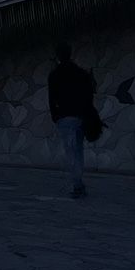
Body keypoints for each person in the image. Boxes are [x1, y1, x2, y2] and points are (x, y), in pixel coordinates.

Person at [48, 41, 97, 199]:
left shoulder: (55, 75)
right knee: (78, 150)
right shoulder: (80, 73)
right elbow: (89, 94)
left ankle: (77, 183)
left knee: (70, 152)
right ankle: (78, 182)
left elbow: (52, 98)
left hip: (64, 116)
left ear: (58, 56)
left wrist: (54, 115)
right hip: (80, 115)